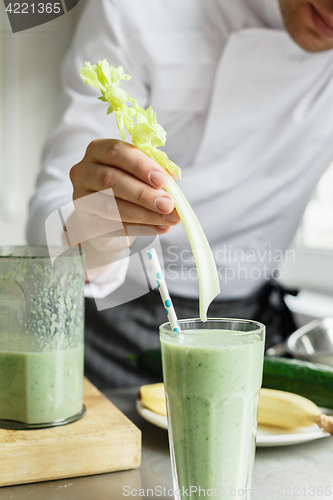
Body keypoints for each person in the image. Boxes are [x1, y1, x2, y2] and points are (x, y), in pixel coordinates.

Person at [27, 0, 333, 388]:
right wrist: (92, 225)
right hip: (121, 320)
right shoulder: (137, 11)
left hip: (251, 323)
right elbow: (52, 207)